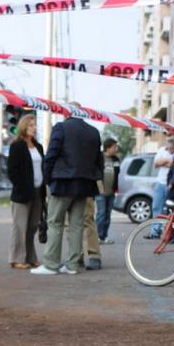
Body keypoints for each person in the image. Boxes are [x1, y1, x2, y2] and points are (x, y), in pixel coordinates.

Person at [32, 108, 103, 275]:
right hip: (85, 185)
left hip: (62, 183)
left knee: (55, 223)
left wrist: (48, 179)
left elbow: (51, 155)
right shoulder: (94, 132)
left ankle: (50, 264)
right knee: (77, 225)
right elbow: (98, 160)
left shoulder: (61, 128)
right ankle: (72, 265)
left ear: (67, 113)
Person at [6, 113, 45, 269]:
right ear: (23, 127)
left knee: (32, 227)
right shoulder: (16, 146)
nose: (34, 128)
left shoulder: (38, 146)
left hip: (37, 192)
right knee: (20, 227)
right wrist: (22, 186)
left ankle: (30, 257)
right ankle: (16, 259)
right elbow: (12, 171)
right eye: (31, 125)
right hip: (22, 194)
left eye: (34, 125)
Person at [146, 138, 174, 238]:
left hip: (172, 184)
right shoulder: (162, 150)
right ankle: (154, 232)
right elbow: (156, 164)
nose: (170, 150)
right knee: (156, 207)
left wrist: (164, 162)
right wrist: (169, 161)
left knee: (170, 210)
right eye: (168, 148)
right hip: (160, 183)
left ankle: (168, 233)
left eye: (172, 149)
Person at [96, 138, 122, 243]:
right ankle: (98, 236)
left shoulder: (116, 160)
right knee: (101, 214)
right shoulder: (99, 158)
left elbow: (117, 174)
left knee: (107, 215)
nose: (116, 149)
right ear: (108, 148)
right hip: (100, 192)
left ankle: (104, 236)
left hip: (111, 192)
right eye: (114, 147)